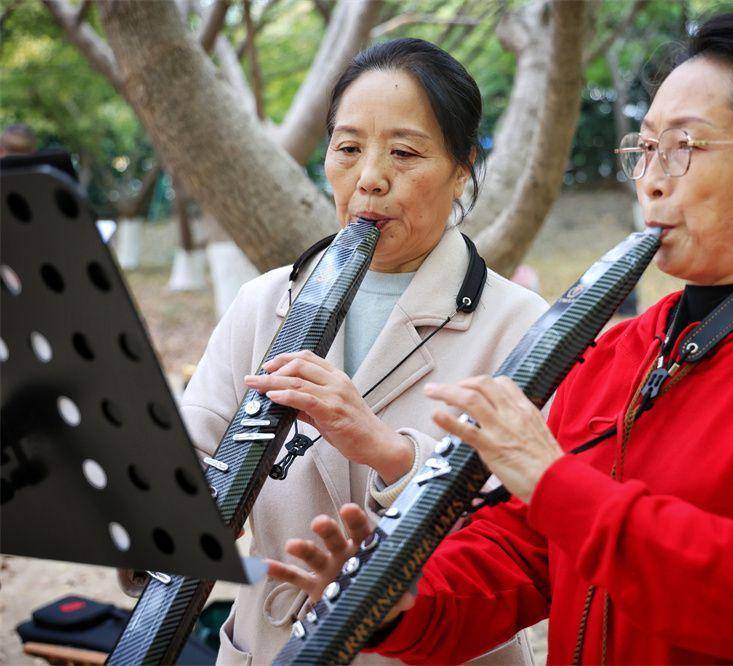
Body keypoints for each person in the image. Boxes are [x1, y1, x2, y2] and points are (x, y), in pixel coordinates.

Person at [270, 11, 733, 665]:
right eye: (645, 148)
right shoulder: (620, 352)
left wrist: (556, 483)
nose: (650, 179)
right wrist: (403, 601)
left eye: (687, 147)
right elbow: (527, 553)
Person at [121, 39, 547, 665]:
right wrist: (158, 514)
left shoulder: (519, 325)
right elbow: (193, 458)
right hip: (270, 647)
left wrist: (390, 452)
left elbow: (529, 530)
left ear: (462, 168)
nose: (370, 177)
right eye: (348, 149)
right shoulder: (264, 303)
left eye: (404, 152)